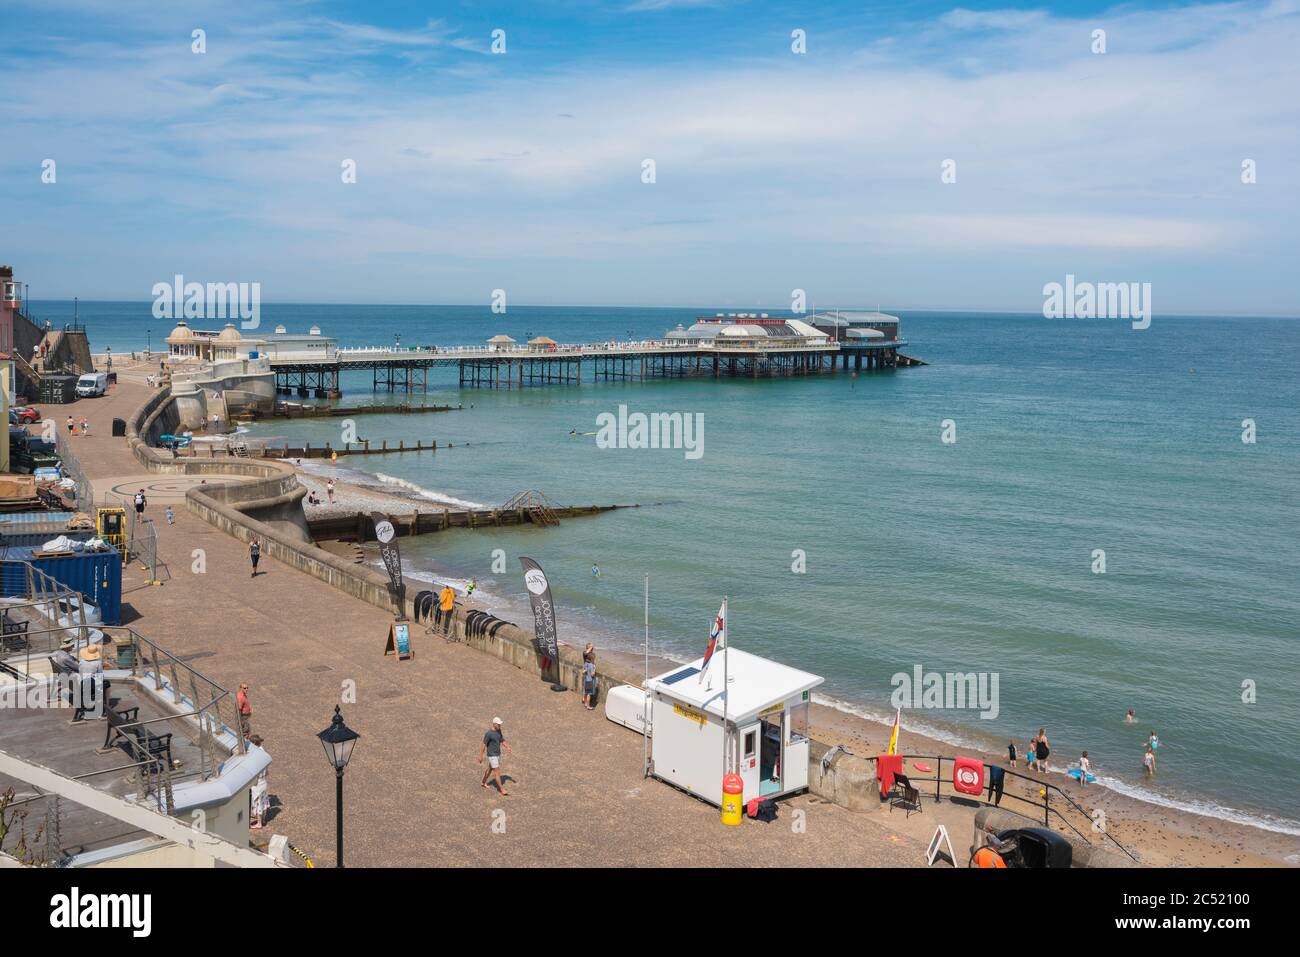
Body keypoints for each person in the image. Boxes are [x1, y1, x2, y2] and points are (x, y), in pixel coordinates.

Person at [479, 717, 511, 795]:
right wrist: (480, 756)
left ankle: (483, 782)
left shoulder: (499, 731)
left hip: (498, 754)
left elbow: (502, 740)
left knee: (490, 769)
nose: (500, 726)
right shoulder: (489, 734)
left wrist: (507, 746)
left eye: (500, 724)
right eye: (499, 724)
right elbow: (483, 745)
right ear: (494, 724)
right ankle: (502, 789)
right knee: (497, 771)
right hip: (492, 755)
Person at [248, 734, 269, 829]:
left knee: (257, 803)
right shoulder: (263, 751)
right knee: (263, 801)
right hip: (264, 781)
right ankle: (263, 820)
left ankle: (259, 823)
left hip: (258, 782)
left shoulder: (256, 754)